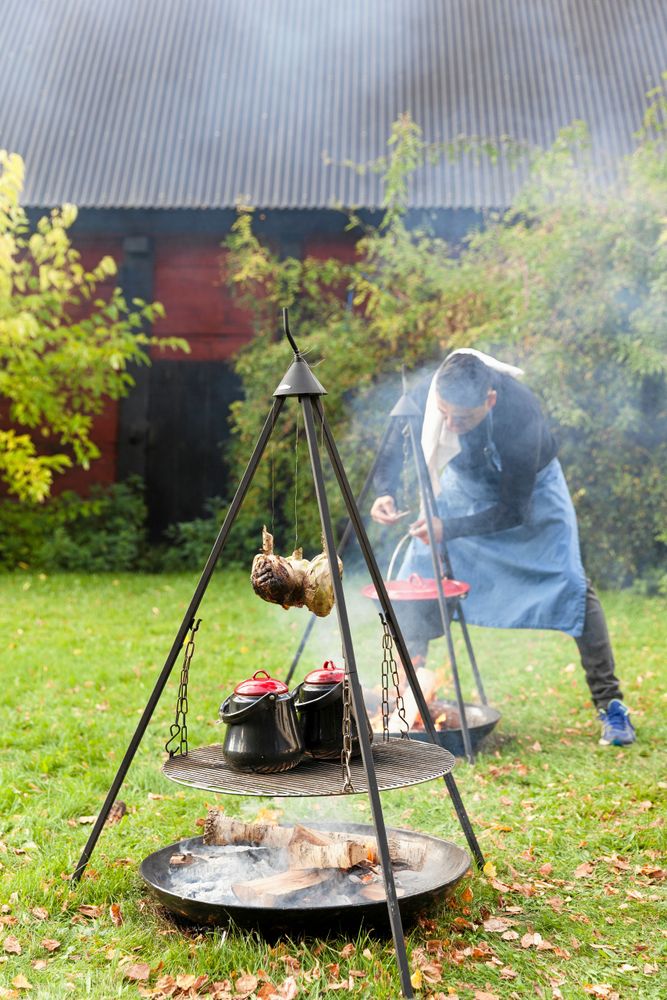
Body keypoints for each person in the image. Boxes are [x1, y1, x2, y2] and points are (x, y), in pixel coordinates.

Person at [370, 350, 636, 747]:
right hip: (467, 489)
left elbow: (514, 508)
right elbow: (397, 436)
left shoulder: (520, 412)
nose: (450, 425)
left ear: (489, 400)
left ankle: (611, 706)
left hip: (532, 497)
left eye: (463, 419)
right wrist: (384, 491)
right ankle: (411, 694)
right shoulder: (433, 389)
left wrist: (451, 527)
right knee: (416, 571)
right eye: (445, 414)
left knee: (570, 585)